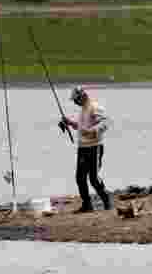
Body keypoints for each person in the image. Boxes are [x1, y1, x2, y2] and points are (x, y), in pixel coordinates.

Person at [58, 85, 112, 213]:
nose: (75, 102)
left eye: (76, 100)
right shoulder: (83, 109)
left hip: (94, 147)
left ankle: (107, 202)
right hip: (82, 148)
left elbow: (105, 122)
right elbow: (81, 127)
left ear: (82, 96)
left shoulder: (94, 107)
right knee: (80, 177)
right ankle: (87, 205)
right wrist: (70, 123)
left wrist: (93, 131)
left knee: (93, 178)